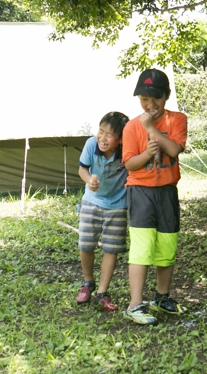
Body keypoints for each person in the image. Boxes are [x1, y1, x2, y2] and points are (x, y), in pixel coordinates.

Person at [122, 68, 188, 325]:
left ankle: (161, 297)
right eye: (144, 100)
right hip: (140, 192)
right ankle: (134, 304)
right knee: (141, 248)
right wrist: (147, 155)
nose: (150, 104)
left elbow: (174, 149)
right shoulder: (130, 127)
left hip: (167, 192)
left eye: (155, 98)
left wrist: (152, 130)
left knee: (167, 247)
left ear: (167, 96)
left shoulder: (177, 120)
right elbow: (130, 165)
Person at [75, 111, 130, 311]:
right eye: (101, 131)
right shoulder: (91, 144)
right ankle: (88, 282)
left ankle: (102, 292)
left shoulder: (126, 150)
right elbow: (82, 169)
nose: (102, 137)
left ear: (121, 140)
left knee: (111, 248)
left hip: (118, 205)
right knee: (86, 244)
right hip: (91, 201)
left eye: (109, 134)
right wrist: (89, 181)